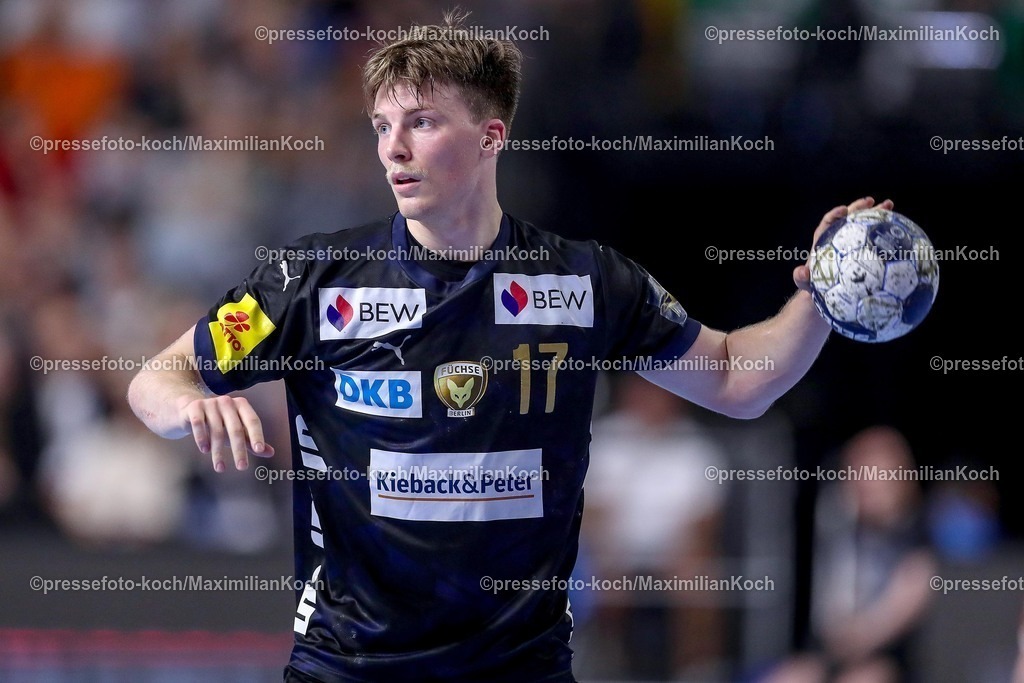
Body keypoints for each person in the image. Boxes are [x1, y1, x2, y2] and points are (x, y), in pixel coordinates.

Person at [126, 11, 893, 682]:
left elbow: (734, 377)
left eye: (422, 122)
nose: (395, 148)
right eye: (382, 126)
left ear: (493, 134)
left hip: (518, 667)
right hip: (348, 666)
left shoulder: (587, 282)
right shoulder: (310, 281)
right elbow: (156, 378)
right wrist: (190, 400)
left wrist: (818, 299)